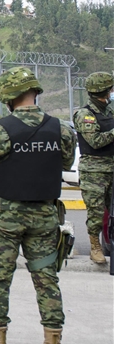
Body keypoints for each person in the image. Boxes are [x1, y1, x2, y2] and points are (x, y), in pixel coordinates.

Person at [0, 66, 75, 344]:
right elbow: (66, 160)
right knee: (47, 281)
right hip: (44, 216)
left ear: (8, 97)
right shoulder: (60, 129)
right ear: (35, 92)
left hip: (6, 218)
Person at [72, 71, 114, 265]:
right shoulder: (85, 114)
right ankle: (95, 247)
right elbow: (95, 141)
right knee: (96, 212)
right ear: (104, 90)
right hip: (94, 171)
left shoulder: (110, 110)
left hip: (112, 168)